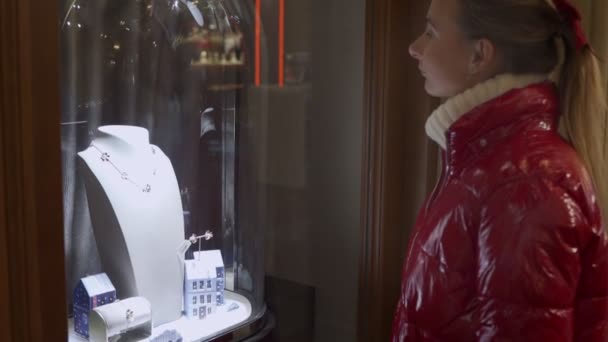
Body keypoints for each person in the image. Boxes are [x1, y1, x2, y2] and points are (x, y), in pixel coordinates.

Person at [392, 0, 608, 341]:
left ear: (480, 55)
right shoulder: (482, 159)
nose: (414, 47)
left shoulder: (529, 183)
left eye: (431, 32)